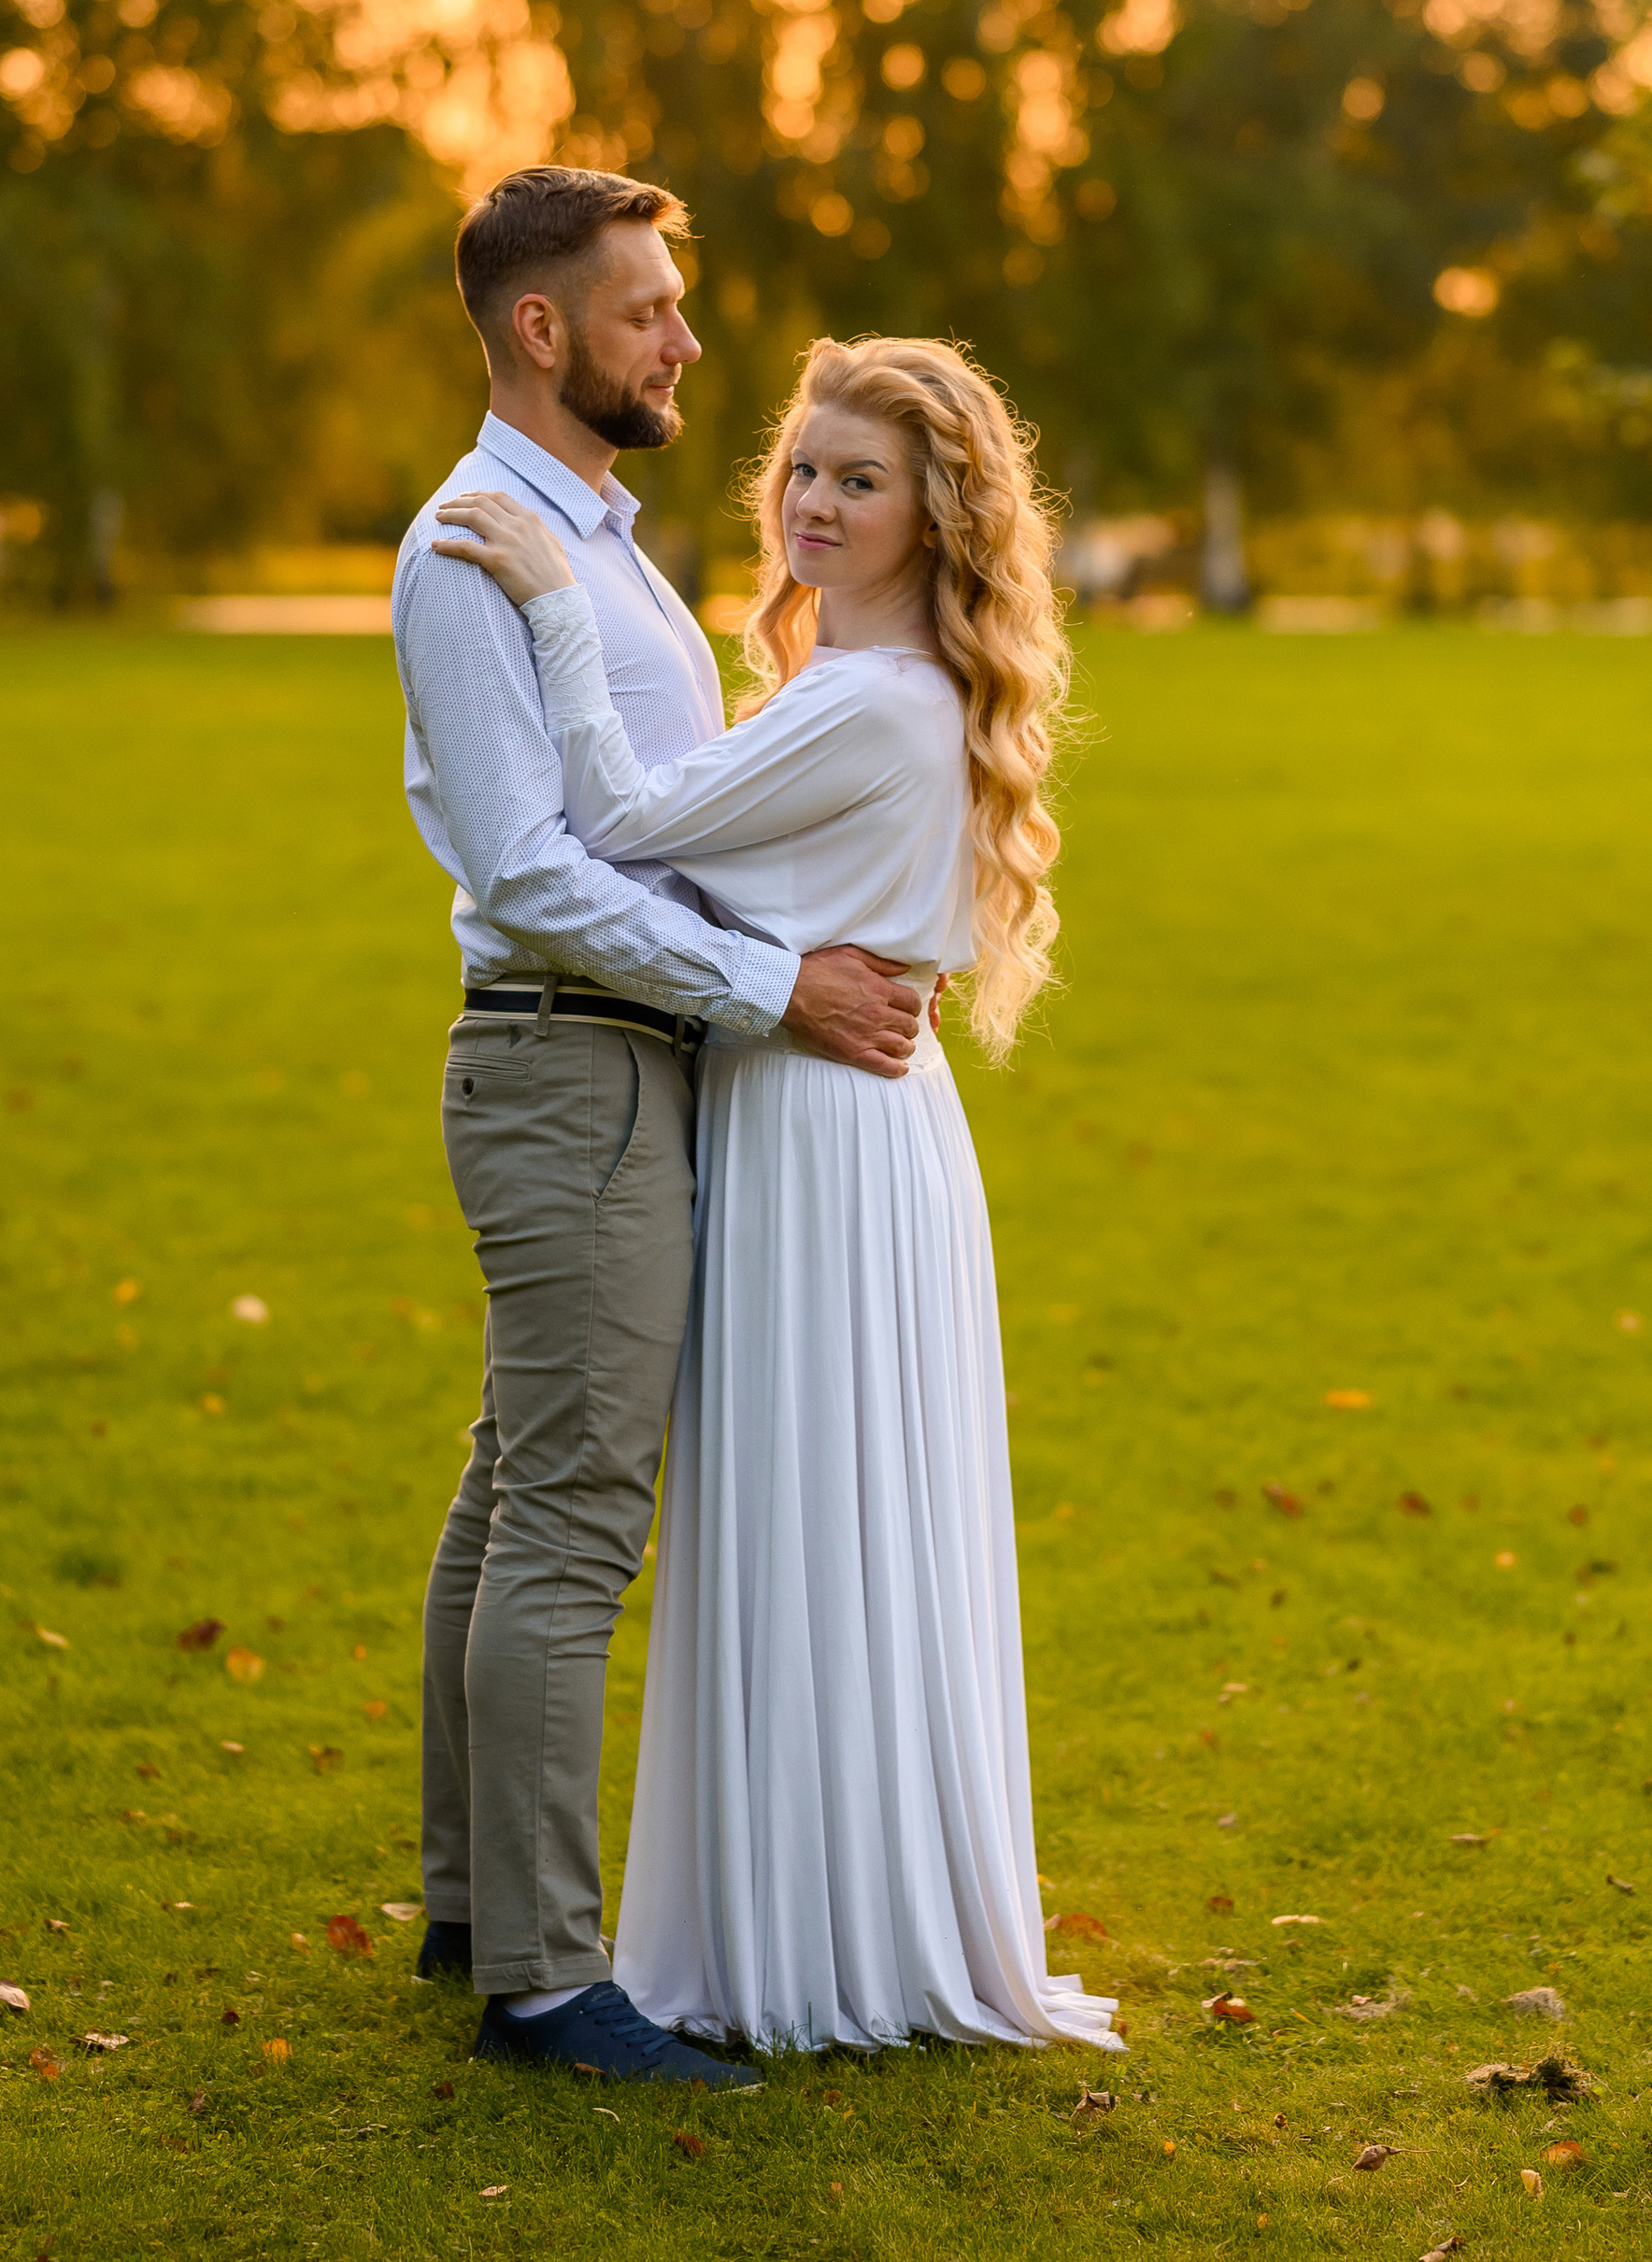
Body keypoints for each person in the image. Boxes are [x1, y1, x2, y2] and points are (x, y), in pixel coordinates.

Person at [433, 334, 1122, 2056]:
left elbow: (624, 813)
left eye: (859, 479)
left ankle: (790, 1928)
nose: (814, 501)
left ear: (936, 512)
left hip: (820, 1119)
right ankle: (771, 1897)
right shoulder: (863, 687)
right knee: (814, 1510)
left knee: (805, 1502)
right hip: (841, 1105)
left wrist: (563, 610)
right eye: (803, 469)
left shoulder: (875, 700)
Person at [392, 167, 926, 2093]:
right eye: (647, 311)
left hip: (616, 1056)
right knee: (569, 1513)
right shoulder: (474, 545)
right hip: (571, 1057)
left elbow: (667, 812)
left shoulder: (598, 541)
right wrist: (775, 988)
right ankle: (542, 1981)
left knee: (510, 1478)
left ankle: (469, 1903)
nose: (686, 342)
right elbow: (532, 871)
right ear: (541, 329)